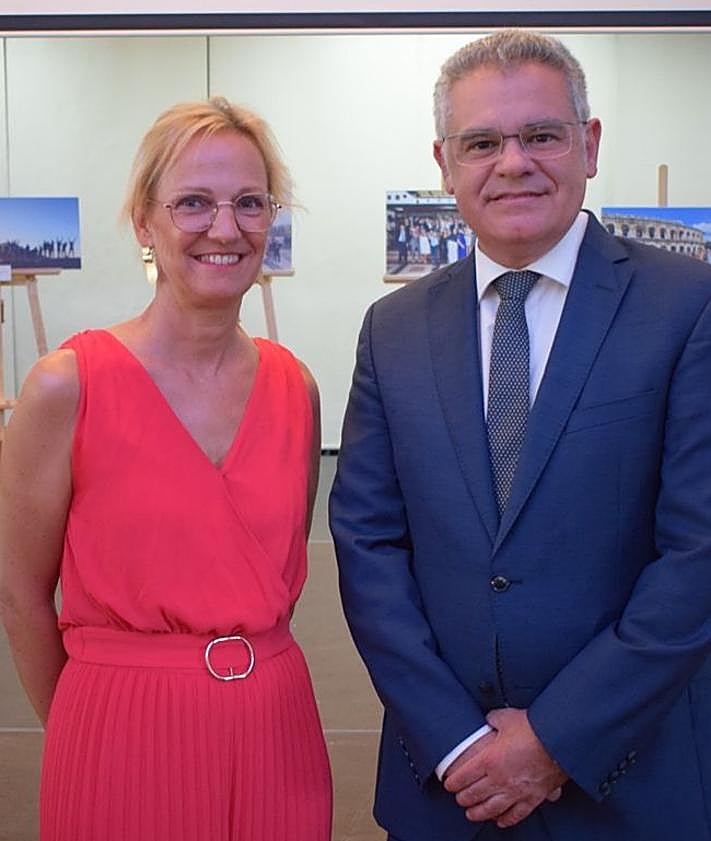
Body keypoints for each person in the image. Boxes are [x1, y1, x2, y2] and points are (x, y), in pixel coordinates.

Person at [330, 29, 711, 841]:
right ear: (444, 162)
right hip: (446, 786)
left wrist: (553, 741)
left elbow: (698, 556)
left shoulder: (685, 306)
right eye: (481, 142)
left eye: (540, 134)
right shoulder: (392, 329)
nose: (512, 162)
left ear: (589, 144)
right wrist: (458, 740)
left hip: (629, 781)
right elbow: (366, 545)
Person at [0, 96, 332, 841]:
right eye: (193, 202)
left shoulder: (296, 388)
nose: (225, 227)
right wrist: (91, 727)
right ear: (145, 222)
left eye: (250, 202)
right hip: (119, 728)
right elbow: (21, 593)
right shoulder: (68, 384)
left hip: (276, 730)